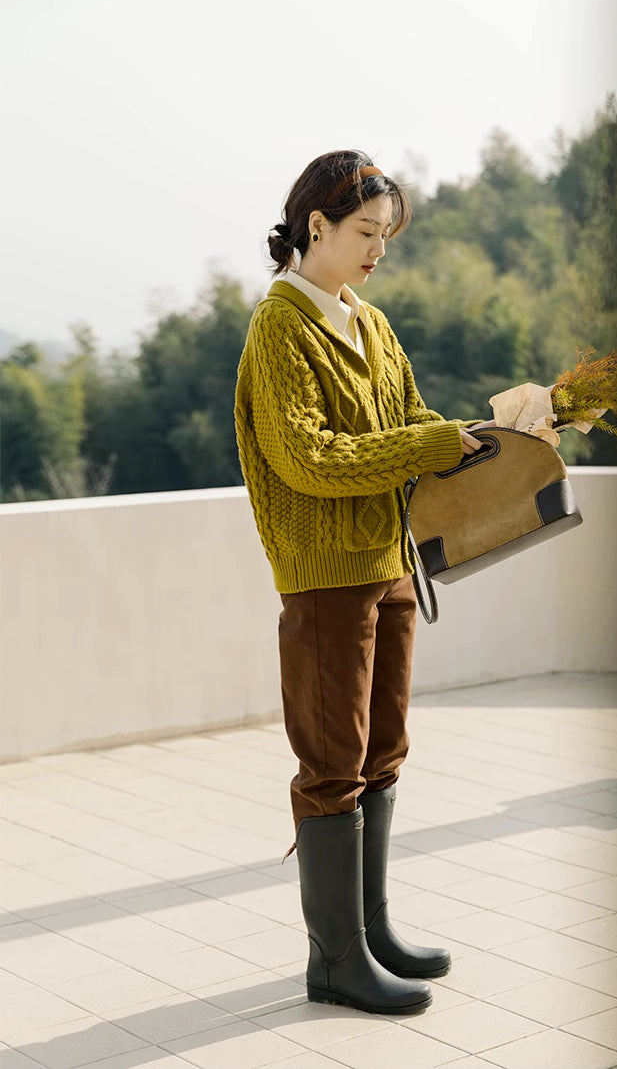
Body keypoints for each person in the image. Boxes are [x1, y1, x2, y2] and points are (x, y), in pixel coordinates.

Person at [234, 150, 495, 1015]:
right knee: (332, 764)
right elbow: (311, 458)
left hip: (389, 564)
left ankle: (371, 930)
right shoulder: (280, 328)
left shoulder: (369, 323)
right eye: (366, 232)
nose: (380, 249)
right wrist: (426, 444)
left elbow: (411, 421)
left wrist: (481, 435)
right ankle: (335, 960)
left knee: (382, 752)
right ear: (316, 226)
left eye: (388, 235)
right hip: (324, 578)